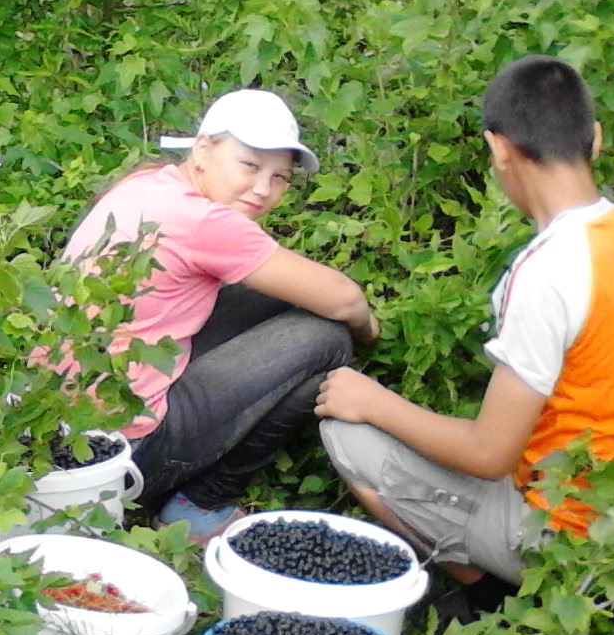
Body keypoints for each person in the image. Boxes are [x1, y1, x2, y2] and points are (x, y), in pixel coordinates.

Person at [316, 55, 614, 601]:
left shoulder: (544, 271)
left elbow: (489, 455)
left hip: (560, 534)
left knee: (347, 434)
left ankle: (482, 596)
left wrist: (372, 400)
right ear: (594, 140)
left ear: (499, 147)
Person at [55, 90, 378, 541]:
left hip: (62, 420)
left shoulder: (147, 181)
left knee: (283, 294)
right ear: (203, 149)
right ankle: (200, 504)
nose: (263, 189)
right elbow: (344, 299)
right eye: (249, 165)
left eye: (280, 176)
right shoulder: (205, 221)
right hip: (125, 454)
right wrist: (369, 332)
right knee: (328, 337)